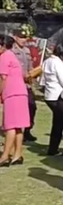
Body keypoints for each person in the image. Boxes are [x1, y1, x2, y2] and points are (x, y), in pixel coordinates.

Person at [41, 42, 63, 157]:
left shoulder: (47, 61)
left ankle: (53, 149)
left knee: (58, 124)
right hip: (57, 96)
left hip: (49, 95)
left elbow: (42, 80)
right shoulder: (57, 63)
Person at [0, 35, 30, 167]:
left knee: (10, 126)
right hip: (21, 93)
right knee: (18, 126)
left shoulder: (4, 57)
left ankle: (5, 156)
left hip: (12, 93)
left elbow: (3, 79)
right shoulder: (12, 56)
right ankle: (17, 154)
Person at [11, 28, 37, 142]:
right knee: (15, 109)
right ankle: (14, 132)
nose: (23, 40)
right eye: (21, 37)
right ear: (15, 37)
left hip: (27, 84)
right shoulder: (11, 50)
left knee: (32, 106)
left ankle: (27, 130)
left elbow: (30, 65)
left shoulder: (27, 50)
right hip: (15, 83)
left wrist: (32, 74)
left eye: (25, 37)